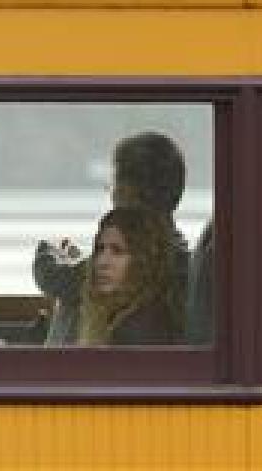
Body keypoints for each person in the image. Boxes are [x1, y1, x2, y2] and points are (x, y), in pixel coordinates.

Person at [33, 131, 190, 345]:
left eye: (113, 185)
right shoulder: (180, 256)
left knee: (76, 303)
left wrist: (49, 249)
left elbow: (56, 278)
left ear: (127, 192)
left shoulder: (138, 260)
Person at [79, 207, 184, 345]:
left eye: (117, 251)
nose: (102, 262)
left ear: (143, 260)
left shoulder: (141, 327)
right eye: (100, 249)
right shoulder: (124, 315)